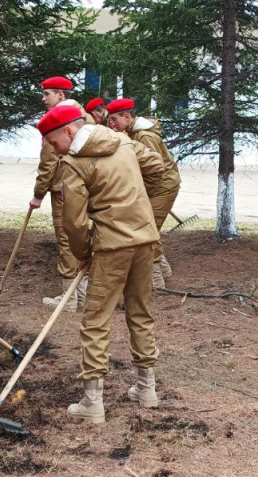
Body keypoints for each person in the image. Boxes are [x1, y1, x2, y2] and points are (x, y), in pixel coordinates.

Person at [38, 104, 167, 424]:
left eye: (54, 142)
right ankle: (146, 389)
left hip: (111, 248)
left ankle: (93, 403)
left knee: (96, 319)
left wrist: (82, 252)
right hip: (145, 240)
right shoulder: (122, 140)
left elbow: (73, 221)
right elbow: (157, 167)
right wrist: (136, 201)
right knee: (141, 312)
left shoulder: (73, 164)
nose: (55, 149)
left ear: (69, 131)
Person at [28, 76, 93, 311]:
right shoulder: (85, 116)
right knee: (81, 235)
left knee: (67, 238)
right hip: (85, 184)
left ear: (61, 95)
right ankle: (82, 295)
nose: (43, 99)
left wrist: (38, 194)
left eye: (47, 94)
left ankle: (69, 298)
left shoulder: (56, 120)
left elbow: (49, 160)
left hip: (65, 186)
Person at [106, 98, 182, 289]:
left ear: (127, 116)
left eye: (114, 119)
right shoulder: (133, 133)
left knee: (147, 231)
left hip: (162, 188)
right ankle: (163, 270)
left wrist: (141, 193)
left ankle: (155, 281)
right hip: (155, 187)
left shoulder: (144, 136)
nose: (112, 124)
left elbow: (155, 169)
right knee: (149, 228)